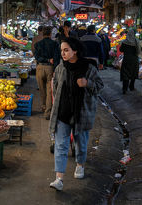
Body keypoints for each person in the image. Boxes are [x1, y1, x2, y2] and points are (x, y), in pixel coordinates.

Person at [49, 37, 104, 191]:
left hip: (82, 113)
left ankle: (80, 165)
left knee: (81, 144)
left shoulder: (89, 68)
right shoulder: (61, 68)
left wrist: (87, 83)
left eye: (66, 50)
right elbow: (55, 87)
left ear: (75, 51)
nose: (63, 53)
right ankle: (58, 178)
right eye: (61, 50)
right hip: (63, 113)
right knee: (60, 145)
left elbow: (100, 86)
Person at [34, 26, 60, 120]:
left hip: (40, 68)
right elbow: (57, 58)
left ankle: (43, 106)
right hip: (50, 68)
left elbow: (36, 57)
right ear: (50, 34)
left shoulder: (37, 44)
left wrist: (45, 59)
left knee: (42, 89)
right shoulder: (55, 44)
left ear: (42, 34)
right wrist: (54, 70)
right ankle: (47, 113)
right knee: (49, 91)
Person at [119, 29, 140, 94]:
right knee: (133, 73)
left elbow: (121, 50)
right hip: (134, 60)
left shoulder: (124, 42)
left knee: (126, 73)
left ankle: (124, 89)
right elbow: (138, 51)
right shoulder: (136, 41)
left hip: (126, 59)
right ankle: (131, 87)